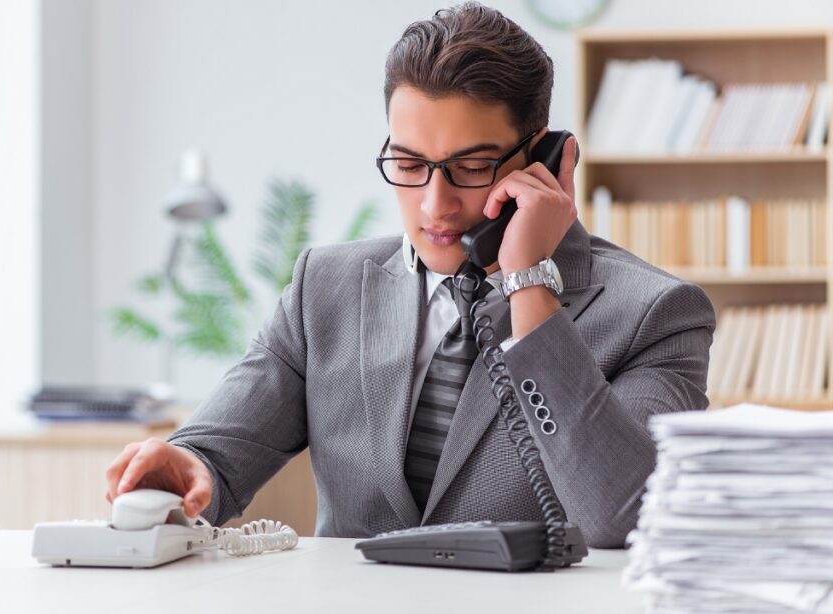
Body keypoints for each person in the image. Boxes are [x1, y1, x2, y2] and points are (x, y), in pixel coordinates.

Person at [104, 3, 715, 548]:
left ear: (550, 159)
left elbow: (627, 517)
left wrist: (528, 285)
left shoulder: (656, 314)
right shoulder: (326, 288)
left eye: (471, 166)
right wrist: (187, 466)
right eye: (409, 163)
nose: (434, 204)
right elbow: (218, 452)